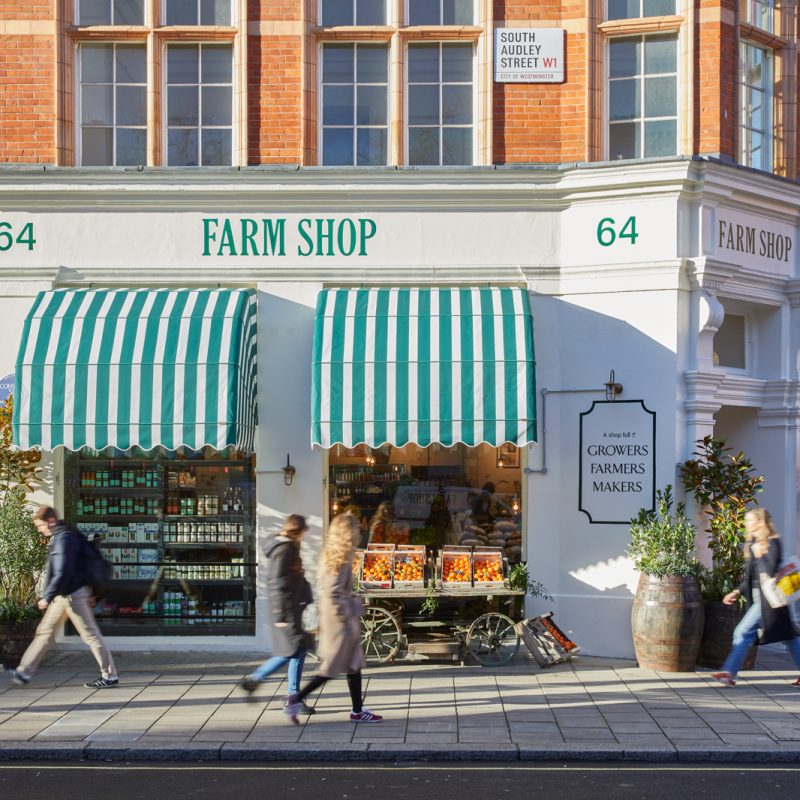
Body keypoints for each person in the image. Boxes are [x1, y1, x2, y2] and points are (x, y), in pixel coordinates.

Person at [2, 505, 119, 689]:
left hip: (72, 594)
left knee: (90, 635)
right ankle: (24, 672)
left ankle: (110, 675)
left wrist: (47, 596)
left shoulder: (65, 538)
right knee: (44, 632)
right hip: (65, 594)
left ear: (50, 521)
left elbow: (63, 570)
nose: (39, 530)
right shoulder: (62, 535)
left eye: (40, 526)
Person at [284, 512, 382, 724]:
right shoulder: (338, 559)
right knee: (329, 669)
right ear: (347, 532)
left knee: (353, 665)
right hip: (339, 621)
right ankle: (295, 699)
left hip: (341, 617)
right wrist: (346, 616)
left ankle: (358, 710)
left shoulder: (336, 554)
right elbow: (332, 592)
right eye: (354, 528)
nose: (358, 531)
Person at [712, 508, 800, 688]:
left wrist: (760, 554)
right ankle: (730, 673)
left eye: (750, 521)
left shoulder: (773, 542)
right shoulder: (754, 543)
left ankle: (729, 673)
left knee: (742, 632)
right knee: (789, 637)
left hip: (769, 600)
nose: (746, 525)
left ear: (760, 522)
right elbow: (751, 577)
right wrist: (737, 591)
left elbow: (769, 572)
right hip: (764, 599)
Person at [239, 514, 316, 715]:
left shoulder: (288, 546)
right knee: (294, 651)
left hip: (294, 605)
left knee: (295, 651)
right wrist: (280, 614)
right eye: (304, 531)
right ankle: (284, 694)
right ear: (298, 531)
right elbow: (276, 582)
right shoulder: (284, 549)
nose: (305, 534)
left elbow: (291, 577)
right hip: (289, 609)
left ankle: (285, 693)